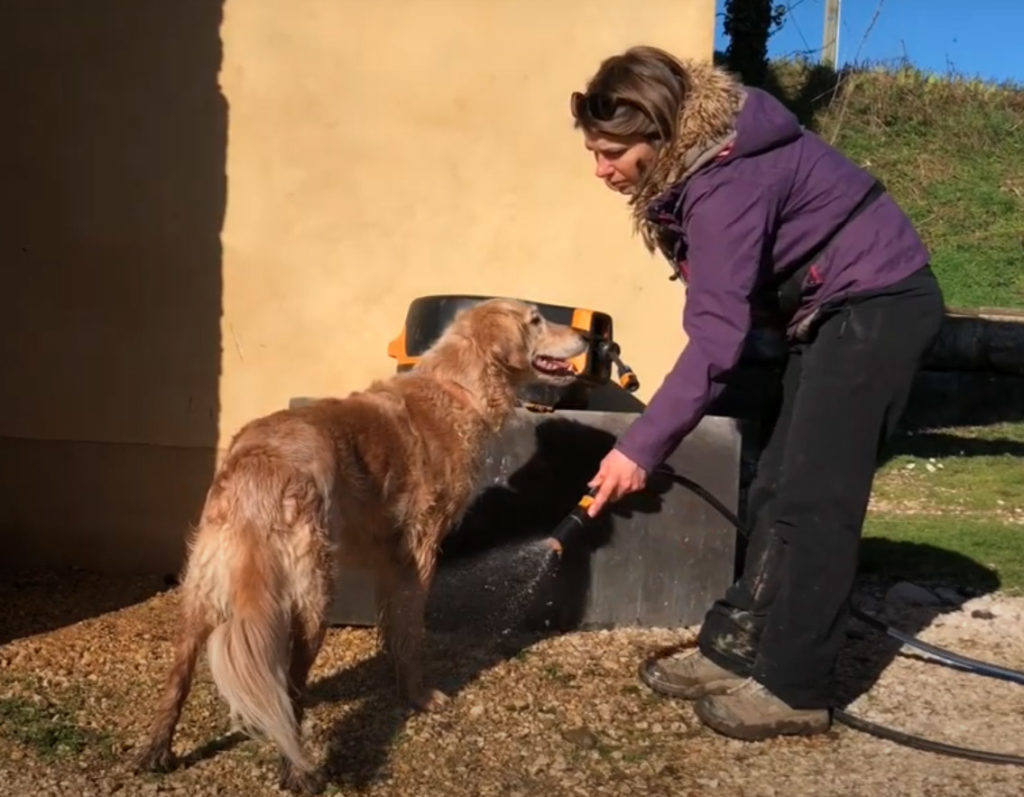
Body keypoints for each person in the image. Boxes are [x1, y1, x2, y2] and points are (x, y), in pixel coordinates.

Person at [571, 45, 945, 741]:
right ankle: (740, 643)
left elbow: (715, 338)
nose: (601, 170)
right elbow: (723, 311)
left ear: (657, 134)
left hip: (878, 306)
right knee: (773, 481)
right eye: (593, 152)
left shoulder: (725, 182)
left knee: (814, 497)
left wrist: (639, 448)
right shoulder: (698, 169)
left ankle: (794, 685)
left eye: (612, 153)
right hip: (828, 311)